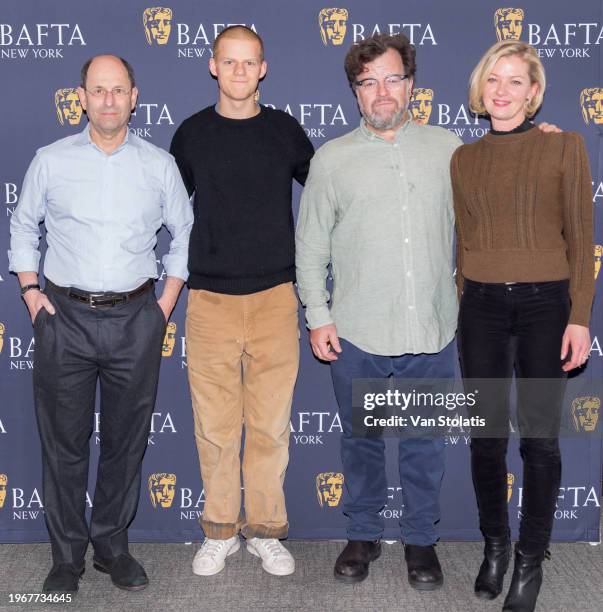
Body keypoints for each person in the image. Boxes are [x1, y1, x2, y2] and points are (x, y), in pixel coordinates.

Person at [8, 54, 193, 594]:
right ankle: (66, 557)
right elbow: (23, 226)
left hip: (137, 317)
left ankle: (112, 547)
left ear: (134, 97)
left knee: (124, 441)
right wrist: (29, 291)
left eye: (118, 90)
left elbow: (184, 233)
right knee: (63, 443)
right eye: (98, 90)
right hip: (62, 318)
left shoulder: (159, 165)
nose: (109, 100)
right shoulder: (51, 160)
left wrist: (164, 303)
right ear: (81, 97)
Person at [296, 33, 462, 590]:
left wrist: (542, 139)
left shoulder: (449, 148)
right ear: (355, 92)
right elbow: (311, 245)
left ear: (411, 85)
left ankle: (420, 542)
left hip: (431, 327)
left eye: (393, 78)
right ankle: (363, 534)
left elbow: (494, 199)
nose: (382, 91)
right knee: (361, 443)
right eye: (368, 82)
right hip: (358, 331)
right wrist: (317, 314)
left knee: (423, 444)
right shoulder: (332, 159)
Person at [452, 40, 594, 611]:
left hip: (544, 307)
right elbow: (463, 241)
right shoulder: (463, 159)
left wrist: (579, 317)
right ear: (481, 91)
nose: (503, 91)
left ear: (534, 93)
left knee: (539, 441)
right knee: (486, 441)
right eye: (494, 80)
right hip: (480, 307)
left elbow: (583, 243)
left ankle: (531, 562)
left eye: (516, 81)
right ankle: (496, 544)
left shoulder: (566, 147)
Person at [170, 25, 314, 577]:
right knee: (215, 428)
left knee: (272, 427)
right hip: (208, 302)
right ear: (212, 66)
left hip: (277, 298)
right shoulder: (191, 135)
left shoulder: (285, 131)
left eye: (248, 62)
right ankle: (220, 531)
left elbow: (327, 190)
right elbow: (161, 204)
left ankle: (266, 531)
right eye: (228, 62)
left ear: (263, 69)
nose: (238, 71)